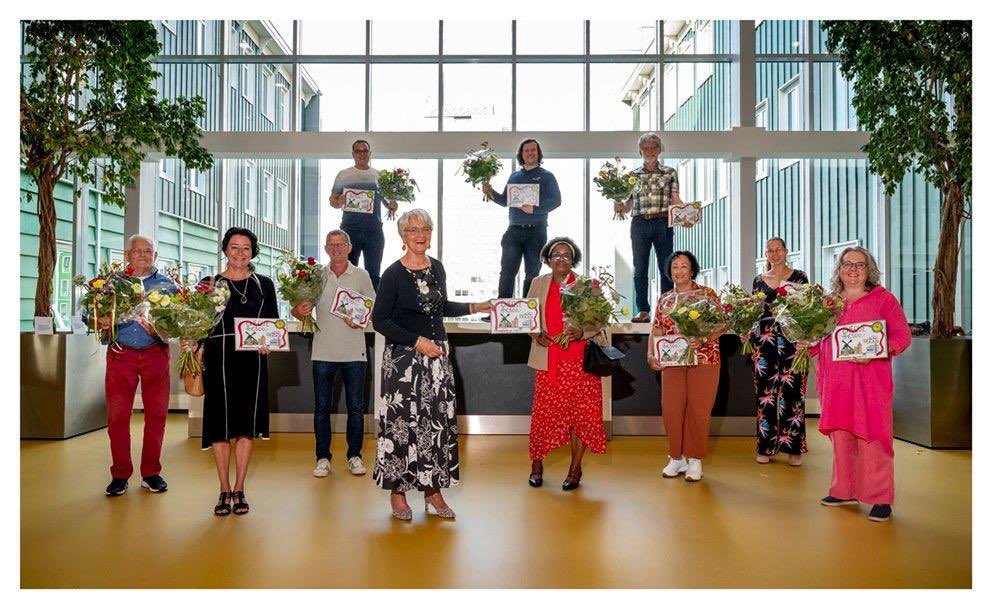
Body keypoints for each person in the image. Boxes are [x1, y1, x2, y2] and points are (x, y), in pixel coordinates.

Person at [370, 209, 493, 521]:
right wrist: (417, 342)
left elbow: (441, 306)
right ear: (402, 236)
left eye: (424, 228)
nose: (419, 234)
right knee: (401, 427)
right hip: (403, 361)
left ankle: (433, 491)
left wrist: (475, 306)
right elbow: (379, 320)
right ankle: (397, 492)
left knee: (435, 425)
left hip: (437, 359)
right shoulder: (392, 274)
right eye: (412, 229)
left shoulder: (436, 267)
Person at [811, 247, 911, 522]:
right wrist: (804, 342)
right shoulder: (828, 303)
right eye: (847, 264)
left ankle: (880, 498)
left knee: (874, 437)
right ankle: (844, 490)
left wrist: (880, 349)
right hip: (835, 383)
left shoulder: (883, 300)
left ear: (870, 270)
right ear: (839, 269)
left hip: (870, 383)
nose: (853, 270)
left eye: (860, 265)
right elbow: (818, 340)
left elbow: (903, 336)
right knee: (841, 437)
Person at [197, 227, 279, 516]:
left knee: (246, 425)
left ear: (253, 252)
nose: (240, 253)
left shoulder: (264, 285)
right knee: (220, 425)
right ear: (225, 250)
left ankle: (240, 487)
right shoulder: (208, 284)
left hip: (252, 361)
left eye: (246, 248)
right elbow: (197, 324)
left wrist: (268, 342)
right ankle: (223, 487)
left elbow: (272, 324)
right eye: (234, 247)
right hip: (218, 359)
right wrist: (190, 340)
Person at [525, 237, 608, 491]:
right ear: (547, 259)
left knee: (581, 418)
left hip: (580, 363)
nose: (561, 259)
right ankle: (536, 466)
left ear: (574, 260)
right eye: (555, 255)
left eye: (566, 255)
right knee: (543, 416)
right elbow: (527, 317)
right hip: (549, 361)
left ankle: (575, 469)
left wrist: (581, 332)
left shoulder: (588, 285)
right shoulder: (537, 283)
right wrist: (535, 333)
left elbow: (601, 320)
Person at [292, 229, 375, 478]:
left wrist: (359, 319)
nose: (336, 249)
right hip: (322, 352)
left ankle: (354, 456)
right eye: (331, 245)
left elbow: (372, 306)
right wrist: (300, 310)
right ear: (326, 249)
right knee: (321, 409)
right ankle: (322, 458)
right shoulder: (315, 276)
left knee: (356, 409)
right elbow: (298, 311)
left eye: (341, 244)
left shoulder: (361, 275)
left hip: (354, 353)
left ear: (350, 248)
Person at [98, 235, 177, 496]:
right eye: (137, 251)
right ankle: (120, 474)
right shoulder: (112, 283)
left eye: (148, 251)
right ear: (127, 255)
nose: (142, 255)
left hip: (156, 354)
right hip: (121, 355)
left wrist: (163, 329)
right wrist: (99, 320)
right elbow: (92, 313)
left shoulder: (168, 285)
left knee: (157, 416)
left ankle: (151, 473)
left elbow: (179, 323)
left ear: (155, 256)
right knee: (117, 417)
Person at [648, 251, 722, 482]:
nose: (679, 271)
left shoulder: (707, 294)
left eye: (684, 266)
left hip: (704, 359)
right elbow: (657, 330)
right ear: (670, 272)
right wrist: (651, 354)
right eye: (675, 267)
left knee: (698, 410)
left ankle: (695, 459)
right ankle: (676, 456)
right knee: (671, 408)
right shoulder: (665, 299)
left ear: (692, 270)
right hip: (673, 362)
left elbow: (722, 324)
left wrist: (703, 338)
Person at [751, 237, 810, 466]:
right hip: (764, 342)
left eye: (778, 250)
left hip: (792, 340)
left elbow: (807, 309)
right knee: (765, 395)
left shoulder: (800, 277)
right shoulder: (758, 280)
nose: (774, 254)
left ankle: (794, 448)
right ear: (766, 254)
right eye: (770, 250)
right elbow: (754, 311)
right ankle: (765, 447)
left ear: (786, 252)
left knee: (793, 393)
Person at [616, 133, 687, 323]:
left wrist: (686, 215)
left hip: (663, 222)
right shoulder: (632, 176)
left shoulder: (670, 172)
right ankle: (643, 310)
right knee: (640, 268)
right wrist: (620, 206)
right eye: (645, 148)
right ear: (640, 151)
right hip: (639, 223)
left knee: (666, 267)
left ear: (659, 150)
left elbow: (675, 200)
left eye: (653, 147)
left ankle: (666, 309)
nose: (649, 151)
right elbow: (628, 204)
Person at [483, 138, 562, 299]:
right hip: (513, 231)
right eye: (526, 151)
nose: (530, 153)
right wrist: (489, 192)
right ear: (521, 154)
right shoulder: (514, 176)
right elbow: (505, 200)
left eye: (533, 150)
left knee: (532, 273)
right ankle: (501, 311)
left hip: (536, 232)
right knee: (507, 273)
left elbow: (556, 201)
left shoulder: (547, 176)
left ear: (538, 153)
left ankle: (527, 312)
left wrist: (534, 209)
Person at [328, 139, 397, 290]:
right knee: (347, 273)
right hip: (350, 230)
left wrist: (393, 205)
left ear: (370, 154)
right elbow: (333, 201)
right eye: (358, 151)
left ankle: (372, 311)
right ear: (353, 154)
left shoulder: (379, 176)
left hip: (374, 231)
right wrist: (339, 201)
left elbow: (388, 204)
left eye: (365, 151)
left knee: (373, 275)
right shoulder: (343, 175)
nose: (362, 154)